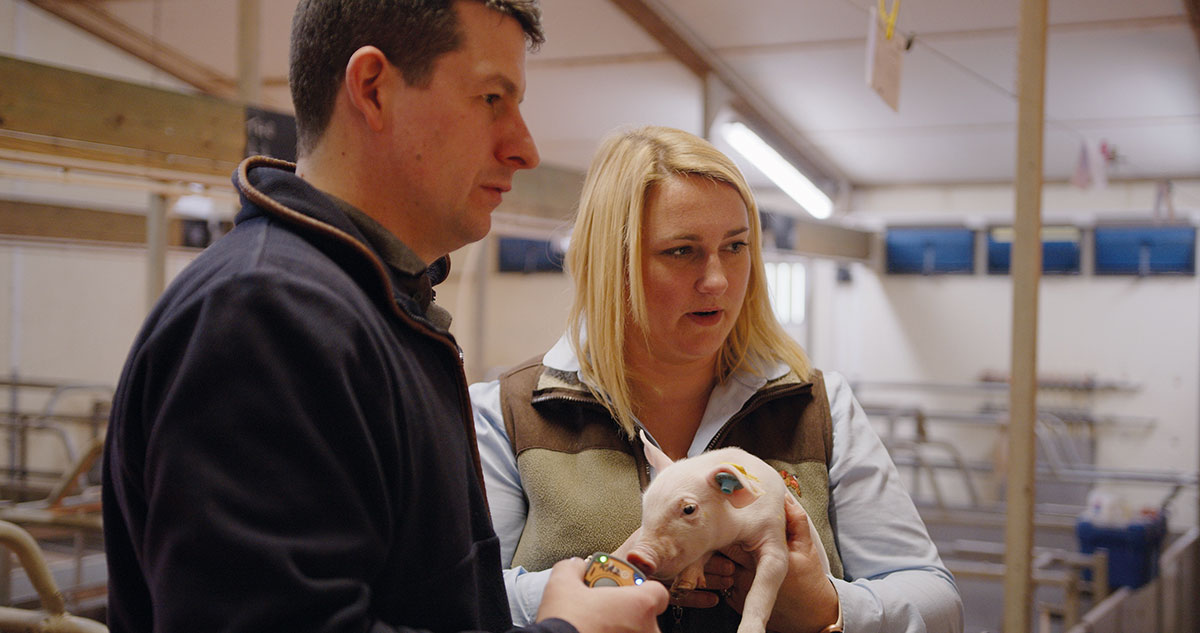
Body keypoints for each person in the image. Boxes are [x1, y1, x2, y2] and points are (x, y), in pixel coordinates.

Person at [101, 2, 669, 632]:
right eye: (490, 99)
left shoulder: (378, 309)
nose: (524, 148)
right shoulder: (267, 316)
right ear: (373, 90)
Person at [471, 126, 965, 633]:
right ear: (612, 264)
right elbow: (457, 598)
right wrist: (607, 582)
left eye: (735, 246)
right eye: (682, 251)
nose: (718, 280)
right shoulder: (508, 413)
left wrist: (827, 608)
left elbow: (936, 598)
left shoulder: (820, 408)